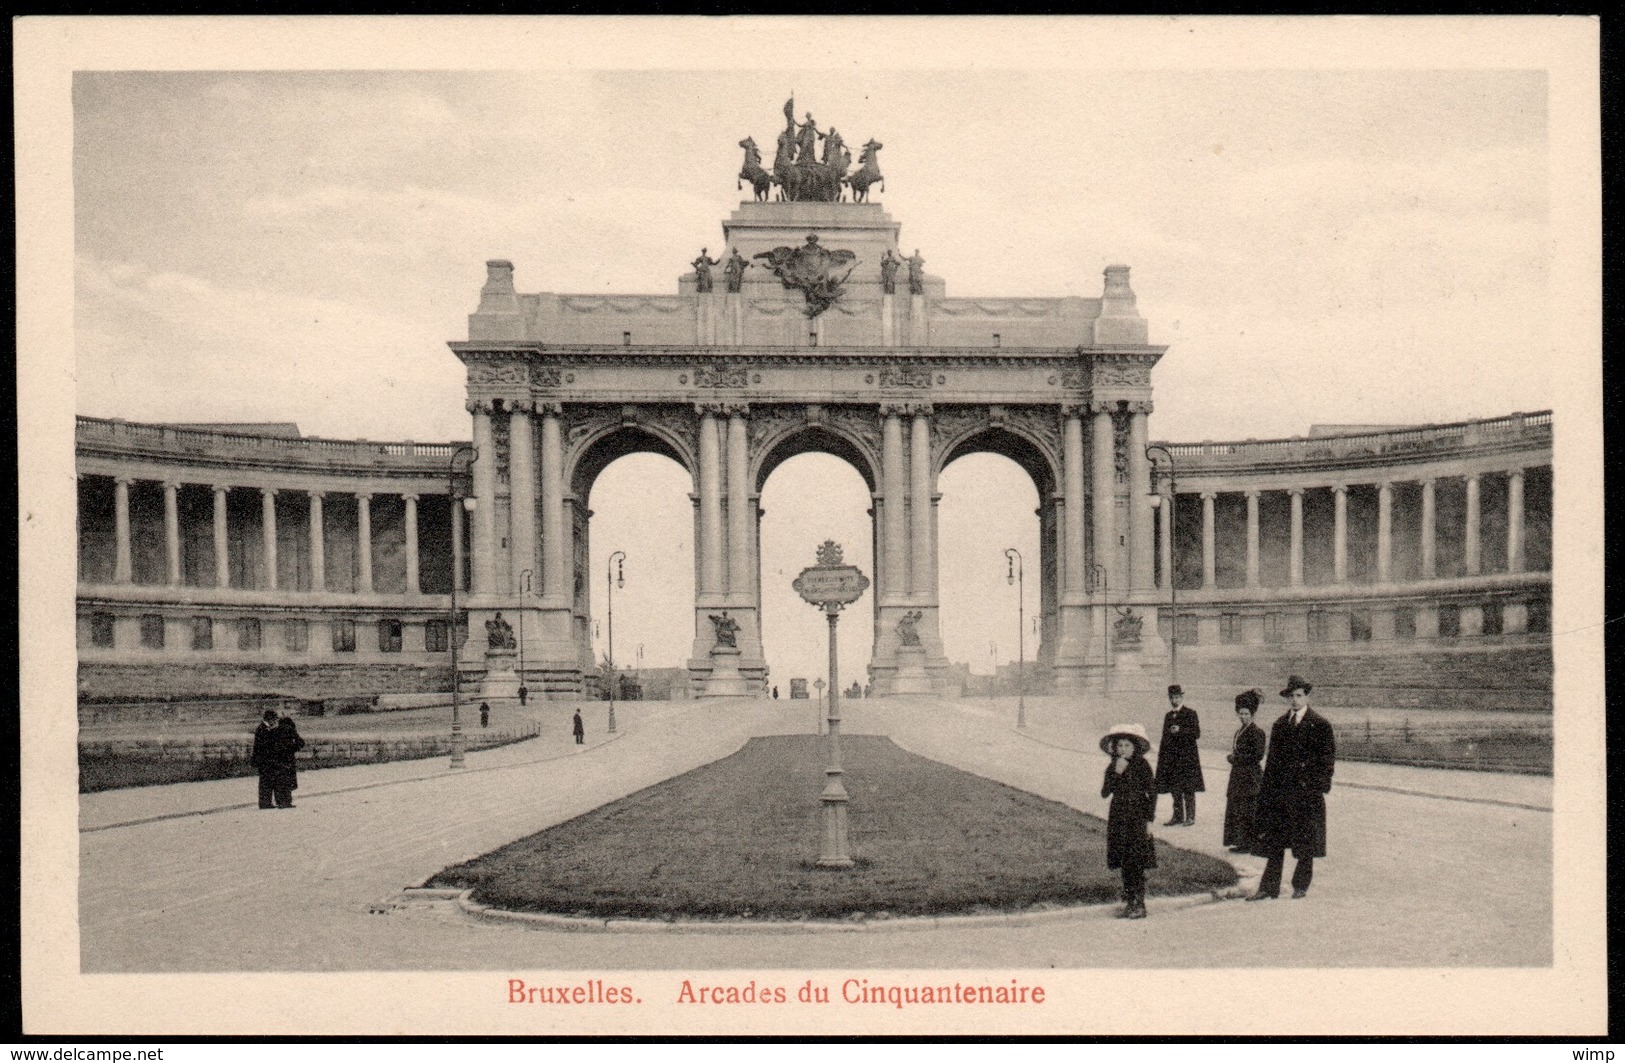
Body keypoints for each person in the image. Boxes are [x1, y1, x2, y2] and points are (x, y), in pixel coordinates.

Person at [1249, 675, 1336, 901]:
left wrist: (1317, 786)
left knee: (1305, 842)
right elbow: (1272, 762)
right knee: (1275, 841)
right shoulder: (1280, 725)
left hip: (1307, 795)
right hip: (1281, 793)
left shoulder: (1320, 725)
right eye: (1291, 696)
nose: (1295, 700)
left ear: (1307, 696)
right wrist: (1266, 793)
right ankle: (1268, 887)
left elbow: (1327, 761)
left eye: (1299, 696)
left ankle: (1300, 885)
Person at [1100, 722, 1158, 919]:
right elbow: (1105, 793)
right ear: (1115, 748)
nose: (1123, 749)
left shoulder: (1142, 765)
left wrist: (1149, 820)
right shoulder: (1113, 766)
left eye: (1127, 745)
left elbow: (1152, 793)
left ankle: (1139, 902)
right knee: (1124, 859)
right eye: (1120, 746)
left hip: (1137, 815)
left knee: (1136, 860)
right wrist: (1116, 772)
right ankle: (1129, 898)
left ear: (1134, 747)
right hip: (1118, 816)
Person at [1222, 689, 1268, 852]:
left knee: (1248, 808)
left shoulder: (1257, 732)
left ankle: (1249, 843)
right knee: (1237, 808)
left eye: (1246, 713)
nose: (1243, 716)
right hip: (1238, 775)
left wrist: (1236, 759)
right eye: (1240, 713)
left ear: (1252, 714)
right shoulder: (1238, 732)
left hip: (1250, 776)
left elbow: (1258, 755)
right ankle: (1241, 842)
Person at [1155, 684, 1204, 826]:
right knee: (1175, 789)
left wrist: (1180, 730)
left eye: (1177, 697)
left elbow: (1197, 733)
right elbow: (1165, 737)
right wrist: (1163, 757)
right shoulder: (1168, 716)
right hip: (1173, 759)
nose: (1175, 700)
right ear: (1169, 698)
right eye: (1172, 698)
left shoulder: (1190, 713)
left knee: (1188, 788)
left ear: (1182, 697)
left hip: (1187, 758)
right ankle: (1177, 816)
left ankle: (1190, 817)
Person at [271, 713, 305, 809]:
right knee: (287, 780)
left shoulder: (274, 731)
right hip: (288, 758)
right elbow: (301, 742)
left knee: (278, 780)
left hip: (277, 758)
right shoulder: (291, 730)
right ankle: (286, 801)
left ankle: (279, 801)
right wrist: (292, 749)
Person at [250, 709, 282, 810]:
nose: (275, 722)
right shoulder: (262, 729)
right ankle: (264, 803)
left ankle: (266, 802)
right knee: (265, 782)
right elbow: (264, 745)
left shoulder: (265, 728)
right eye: (274, 719)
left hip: (266, 760)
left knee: (268, 781)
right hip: (264, 760)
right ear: (270, 719)